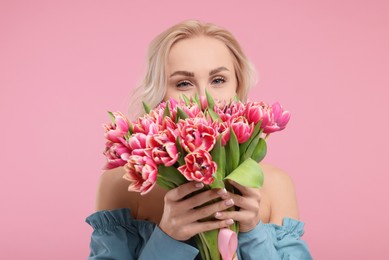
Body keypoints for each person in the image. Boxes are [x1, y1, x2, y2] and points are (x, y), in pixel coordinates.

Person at [85, 19, 313, 259]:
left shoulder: (276, 186)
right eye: (183, 83)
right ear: (160, 94)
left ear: (238, 86)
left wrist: (252, 232)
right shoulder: (122, 185)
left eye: (218, 80)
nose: (205, 99)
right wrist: (168, 236)